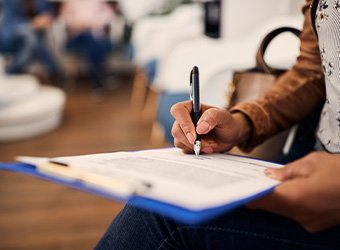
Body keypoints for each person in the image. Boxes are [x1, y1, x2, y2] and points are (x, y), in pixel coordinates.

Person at [95, 0, 340, 249]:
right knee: (164, 200)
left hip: (327, 189)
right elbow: (313, 70)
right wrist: (243, 121)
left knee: (162, 217)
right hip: (312, 161)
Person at [0, 0, 64, 84]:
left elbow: (49, 11)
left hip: (30, 41)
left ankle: (11, 72)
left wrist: (46, 18)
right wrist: (32, 24)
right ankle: (56, 71)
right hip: (11, 37)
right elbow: (13, 23)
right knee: (31, 38)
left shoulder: (40, 2)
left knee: (32, 40)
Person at [59, 0, 115, 93]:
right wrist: (79, 23)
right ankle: (99, 81)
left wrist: (96, 22)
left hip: (95, 36)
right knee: (93, 43)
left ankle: (98, 81)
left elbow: (109, 14)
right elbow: (64, 18)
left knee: (94, 44)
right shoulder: (71, 2)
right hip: (77, 37)